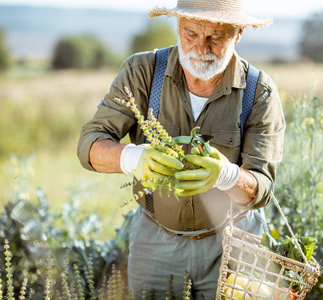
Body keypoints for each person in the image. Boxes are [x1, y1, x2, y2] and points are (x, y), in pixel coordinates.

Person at [77, 0, 285, 298]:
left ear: (238, 34)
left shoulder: (259, 91)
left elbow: (262, 188)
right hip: (156, 241)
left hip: (234, 243)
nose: (201, 48)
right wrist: (134, 157)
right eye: (190, 34)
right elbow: (90, 144)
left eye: (216, 36)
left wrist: (226, 176)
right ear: (177, 26)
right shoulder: (142, 73)